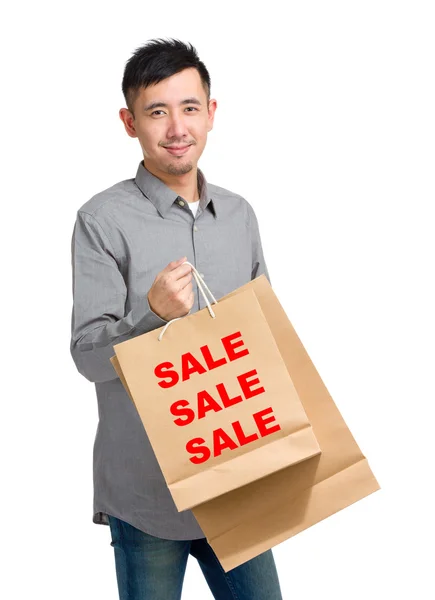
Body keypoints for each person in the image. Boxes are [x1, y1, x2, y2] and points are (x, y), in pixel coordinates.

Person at [70, 37, 282, 600]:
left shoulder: (238, 216)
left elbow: (264, 341)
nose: (176, 128)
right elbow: (88, 357)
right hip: (146, 493)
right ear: (128, 121)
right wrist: (150, 318)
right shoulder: (101, 220)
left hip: (237, 481)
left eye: (189, 108)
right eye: (156, 112)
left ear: (212, 114)